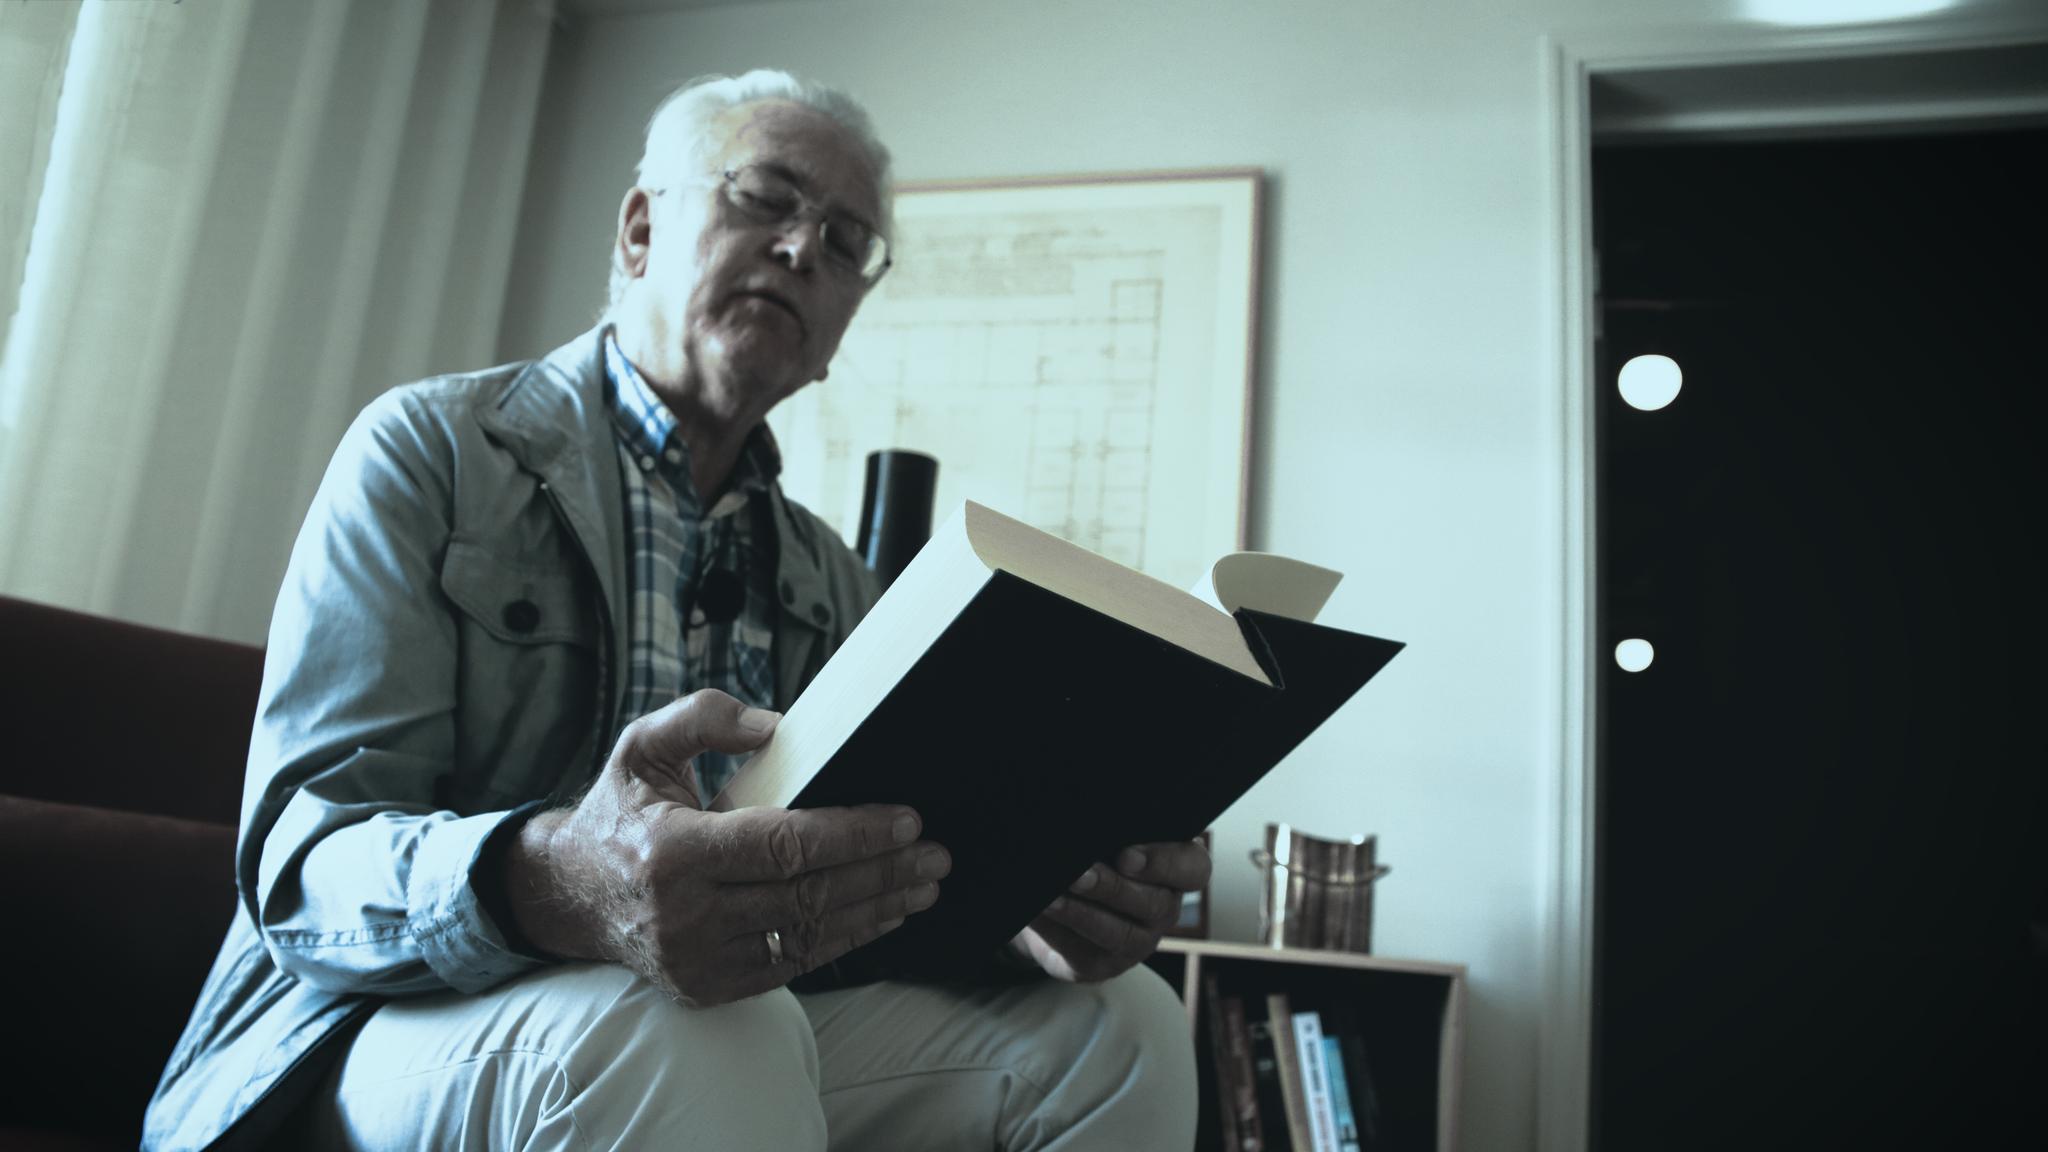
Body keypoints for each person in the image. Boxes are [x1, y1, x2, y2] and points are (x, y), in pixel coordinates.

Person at [143, 70, 1207, 1151]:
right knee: (699, 1033)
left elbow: (876, 893)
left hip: (725, 1031)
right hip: (371, 1034)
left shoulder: (836, 579)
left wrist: (1027, 907)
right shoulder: (430, 453)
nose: (802, 249)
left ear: (845, 319)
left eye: (845, 242)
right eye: (765, 197)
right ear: (643, 228)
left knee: (1125, 1028)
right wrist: (559, 881)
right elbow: (299, 866)